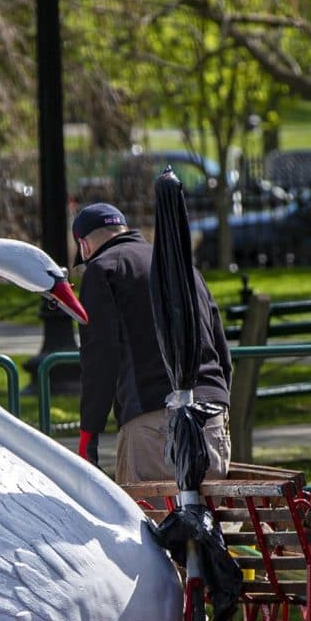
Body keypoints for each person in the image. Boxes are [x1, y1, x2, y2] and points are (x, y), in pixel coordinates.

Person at [71, 202, 234, 485]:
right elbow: (222, 352)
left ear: (84, 246)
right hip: (212, 417)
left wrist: (89, 433)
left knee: (149, 524)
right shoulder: (185, 268)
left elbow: (100, 359)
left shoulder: (102, 269)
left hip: (152, 420)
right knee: (208, 522)